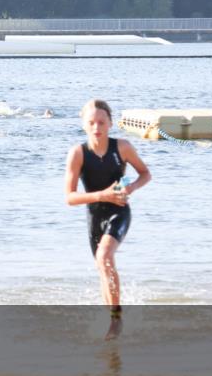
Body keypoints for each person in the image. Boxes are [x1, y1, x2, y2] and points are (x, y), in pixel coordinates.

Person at [65, 99, 151, 334]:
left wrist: (131, 188)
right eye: (91, 122)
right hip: (94, 216)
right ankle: (112, 322)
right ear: (84, 125)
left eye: (101, 122)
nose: (96, 127)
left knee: (104, 256)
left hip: (119, 211)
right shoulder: (78, 153)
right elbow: (70, 197)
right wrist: (102, 195)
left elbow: (145, 173)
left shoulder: (122, 147)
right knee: (103, 266)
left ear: (110, 124)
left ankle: (116, 320)